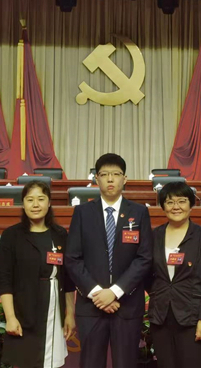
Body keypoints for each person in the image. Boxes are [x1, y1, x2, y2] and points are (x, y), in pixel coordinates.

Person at [65, 153, 153, 368]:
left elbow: (144, 257)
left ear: (125, 178)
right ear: (97, 179)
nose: (110, 179)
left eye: (116, 174)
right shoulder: (82, 212)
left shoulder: (139, 212)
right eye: (104, 174)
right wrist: (98, 293)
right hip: (91, 306)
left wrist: (114, 292)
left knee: (126, 363)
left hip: (127, 305)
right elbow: (73, 258)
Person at [0, 181, 76, 368]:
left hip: (54, 307)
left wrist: (70, 314)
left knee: (52, 361)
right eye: (30, 200)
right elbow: (4, 279)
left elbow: (68, 279)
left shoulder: (60, 234)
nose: (35, 205)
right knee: (26, 361)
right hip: (24, 310)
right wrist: (10, 317)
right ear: (23, 204)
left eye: (41, 199)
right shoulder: (11, 235)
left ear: (49, 203)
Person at [147, 181, 201, 368]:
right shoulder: (155, 236)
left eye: (182, 201)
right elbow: (147, 275)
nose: (176, 207)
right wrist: (158, 293)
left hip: (193, 318)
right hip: (161, 317)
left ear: (191, 204)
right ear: (162, 206)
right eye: (170, 202)